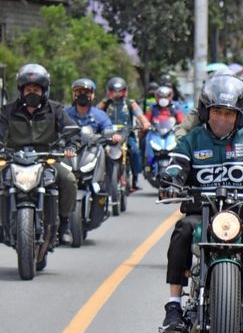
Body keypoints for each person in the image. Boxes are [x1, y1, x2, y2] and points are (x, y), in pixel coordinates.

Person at [160, 75, 243, 333]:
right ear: (206, 111)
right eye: (217, 111)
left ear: (239, 116)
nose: (222, 119)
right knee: (182, 231)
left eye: (229, 114)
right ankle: (173, 305)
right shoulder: (193, 139)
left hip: (240, 214)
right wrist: (172, 177)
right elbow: (178, 163)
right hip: (200, 213)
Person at [0, 64, 79, 241]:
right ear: (21, 91)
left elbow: (72, 129)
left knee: (69, 180)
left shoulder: (56, 109)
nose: (32, 93)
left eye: (36, 89)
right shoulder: (7, 111)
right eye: (28, 89)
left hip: (47, 158)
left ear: (44, 91)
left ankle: (64, 223)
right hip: (13, 158)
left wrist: (71, 146)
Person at [65, 78, 121, 220]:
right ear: (73, 94)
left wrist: (112, 136)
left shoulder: (100, 115)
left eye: (87, 92)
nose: (83, 95)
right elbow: (55, 128)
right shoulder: (65, 113)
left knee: (110, 156)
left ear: (93, 95)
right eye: (79, 92)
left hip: (92, 152)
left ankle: (106, 190)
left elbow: (108, 129)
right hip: (69, 153)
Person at [98, 77, 151, 192]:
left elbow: (140, 115)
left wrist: (145, 122)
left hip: (127, 133)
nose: (117, 94)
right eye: (114, 91)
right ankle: (98, 177)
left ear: (125, 91)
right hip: (108, 134)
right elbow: (95, 114)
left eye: (120, 90)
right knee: (97, 151)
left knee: (136, 151)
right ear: (109, 91)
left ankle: (135, 179)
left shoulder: (130, 103)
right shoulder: (104, 103)